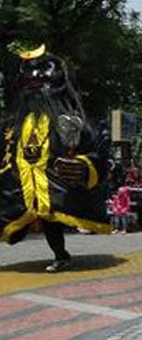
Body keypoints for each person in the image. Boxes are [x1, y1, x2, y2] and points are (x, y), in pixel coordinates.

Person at [0, 45, 111, 271]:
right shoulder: (12, 125)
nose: (33, 76)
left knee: (52, 221)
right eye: (27, 71)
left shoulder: (72, 120)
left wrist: (83, 166)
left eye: (42, 70)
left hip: (53, 188)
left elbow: (97, 153)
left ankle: (61, 255)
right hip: (21, 187)